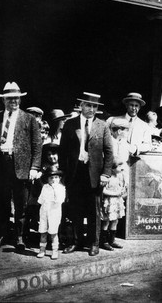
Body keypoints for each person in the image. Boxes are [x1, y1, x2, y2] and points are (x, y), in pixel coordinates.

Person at [60, 92, 113, 256]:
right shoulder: (70, 124)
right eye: (88, 105)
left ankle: (94, 243)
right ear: (81, 105)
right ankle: (76, 241)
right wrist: (64, 174)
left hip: (95, 175)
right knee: (75, 209)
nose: (91, 109)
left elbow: (109, 151)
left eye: (94, 106)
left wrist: (106, 174)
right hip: (75, 173)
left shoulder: (102, 125)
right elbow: (63, 151)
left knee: (94, 211)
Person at [0, 82, 42, 250]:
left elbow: (37, 145)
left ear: (20, 99)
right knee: (2, 202)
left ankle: (20, 236)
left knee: (21, 204)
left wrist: (34, 167)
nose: (13, 101)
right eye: (9, 99)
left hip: (21, 167)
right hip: (1, 166)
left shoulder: (29, 119)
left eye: (16, 98)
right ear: (3, 100)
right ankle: (3, 234)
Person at [36, 166, 66, 260]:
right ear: (47, 179)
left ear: (59, 178)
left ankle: (55, 250)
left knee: (53, 233)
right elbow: (40, 200)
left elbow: (60, 200)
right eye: (51, 178)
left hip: (54, 213)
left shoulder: (61, 188)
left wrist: (55, 189)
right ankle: (42, 249)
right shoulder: (45, 187)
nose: (53, 180)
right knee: (43, 232)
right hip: (44, 212)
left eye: (56, 177)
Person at [100, 159, 127, 251]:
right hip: (109, 201)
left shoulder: (119, 176)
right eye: (119, 166)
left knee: (115, 221)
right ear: (112, 168)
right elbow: (103, 191)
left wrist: (121, 191)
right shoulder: (107, 178)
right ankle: (104, 241)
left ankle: (111, 240)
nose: (121, 168)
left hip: (117, 201)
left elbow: (121, 187)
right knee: (106, 221)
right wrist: (114, 193)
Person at [117, 92, 152, 157]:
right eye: (131, 105)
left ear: (139, 107)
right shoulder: (116, 121)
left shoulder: (144, 126)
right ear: (126, 105)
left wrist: (135, 148)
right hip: (117, 160)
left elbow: (148, 145)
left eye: (136, 106)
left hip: (134, 161)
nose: (133, 108)